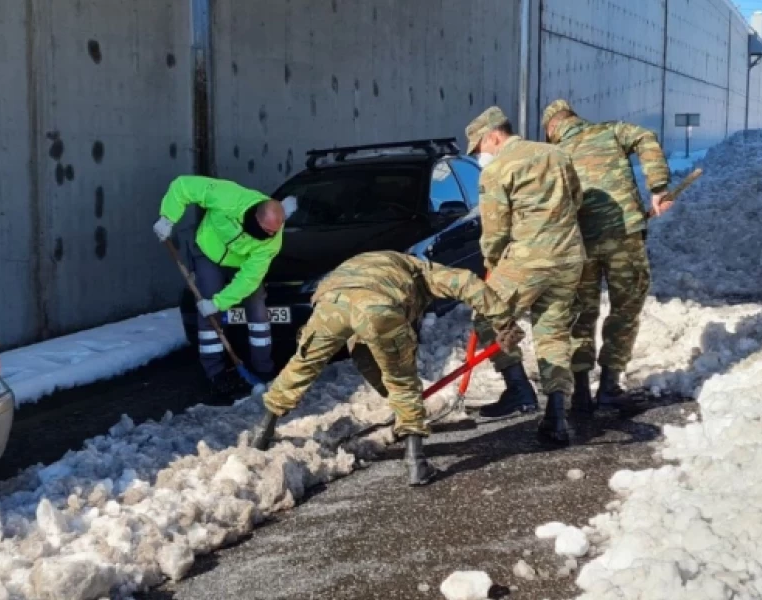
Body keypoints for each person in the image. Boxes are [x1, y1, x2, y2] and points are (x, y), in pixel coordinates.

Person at [248, 251, 525, 486]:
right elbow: (466, 283)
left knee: (302, 365)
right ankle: (416, 463)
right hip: (378, 306)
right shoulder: (422, 271)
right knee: (402, 379)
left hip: (330, 301)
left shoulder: (373, 262)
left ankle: (263, 432)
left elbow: (366, 354)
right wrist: (504, 322)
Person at [462, 106, 587, 446]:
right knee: (553, 333)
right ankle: (557, 416)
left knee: (486, 316)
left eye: (480, 147)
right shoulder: (556, 153)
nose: (481, 155)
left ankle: (518, 390)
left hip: (528, 259)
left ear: (494, 136)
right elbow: (576, 198)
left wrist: (493, 262)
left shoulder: (498, 169)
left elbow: (495, 229)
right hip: (569, 257)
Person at [539, 99, 671, 415]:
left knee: (580, 314)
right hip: (623, 235)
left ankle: (581, 392)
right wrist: (659, 186)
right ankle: (609, 388)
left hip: (579, 244)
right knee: (625, 309)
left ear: (552, 128)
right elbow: (645, 137)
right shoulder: (610, 131)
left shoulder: (554, 155)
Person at [153, 175, 297, 400]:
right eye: (266, 231)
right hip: (209, 253)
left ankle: (263, 371)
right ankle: (216, 374)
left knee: (258, 312)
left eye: (273, 232)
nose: (269, 236)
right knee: (208, 312)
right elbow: (183, 186)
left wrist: (220, 303)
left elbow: (249, 278)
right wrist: (168, 218)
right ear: (255, 218)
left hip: (241, 265)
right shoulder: (228, 197)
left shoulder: (272, 241)